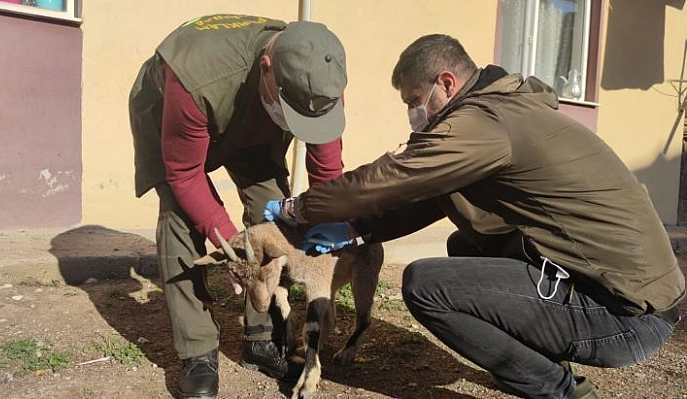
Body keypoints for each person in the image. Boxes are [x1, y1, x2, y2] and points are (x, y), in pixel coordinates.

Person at [264, 34, 685, 399]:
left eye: (414, 100)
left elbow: (394, 176)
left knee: (424, 285)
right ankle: (531, 361)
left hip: (626, 316)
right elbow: (431, 196)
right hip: (633, 297)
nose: (413, 112)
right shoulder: (500, 110)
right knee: (465, 245)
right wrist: (357, 226)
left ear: (446, 83)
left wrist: (299, 207)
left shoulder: (484, 123)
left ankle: (557, 387)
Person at [128, 14, 347, 399]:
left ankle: (261, 338)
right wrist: (232, 247)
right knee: (181, 215)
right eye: (292, 109)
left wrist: (328, 218)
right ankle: (197, 350)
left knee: (273, 211)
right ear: (267, 69)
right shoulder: (196, 76)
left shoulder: (320, 76)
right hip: (178, 108)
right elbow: (184, 175)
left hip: (255, 121)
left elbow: (326, 167)